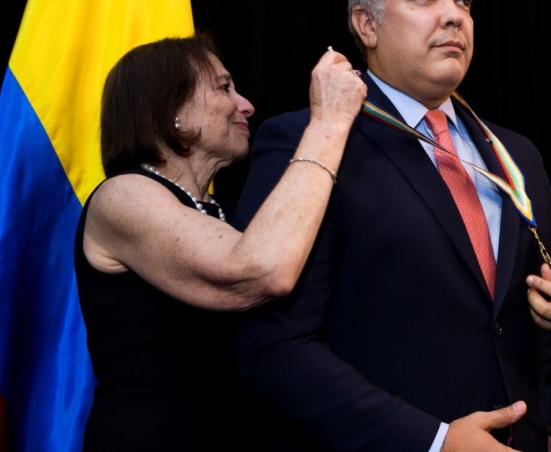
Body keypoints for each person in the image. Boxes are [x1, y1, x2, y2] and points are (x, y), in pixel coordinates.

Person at [231, 0, 551, 452]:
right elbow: (274, 347)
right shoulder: (308, 140)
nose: (453, 14)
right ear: (367, 24)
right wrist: (432, 440)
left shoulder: (516, 153)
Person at [74, 33, 366, 451]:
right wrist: (329, 122)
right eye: (224, 87)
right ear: (170, 109)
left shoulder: (229, 210)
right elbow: (259, 268)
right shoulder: (121, 196)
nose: (246, 105)